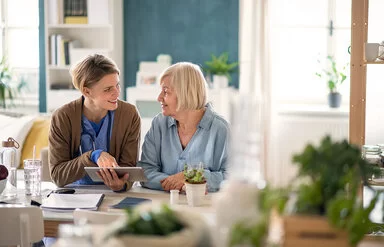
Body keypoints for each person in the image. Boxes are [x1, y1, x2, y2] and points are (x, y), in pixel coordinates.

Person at [48, 54, 141, 192]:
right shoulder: (62, 117)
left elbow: (129, 168)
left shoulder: (129, 114)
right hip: (74, 195)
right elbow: (58, 176)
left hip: (114, 195)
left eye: (117, 85)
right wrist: (92, 156)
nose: (116, 93)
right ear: (87, 91)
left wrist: (121, 184)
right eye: (108, 89)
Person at [138, 62, 229, 192]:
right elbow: (145, 171)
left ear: (185, 93)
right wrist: (177, 183)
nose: (159, 98)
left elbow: (232, 178)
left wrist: (193, 177)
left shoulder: (221, 130)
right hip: (163, 203)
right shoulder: (159, 124)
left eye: (165, 91)